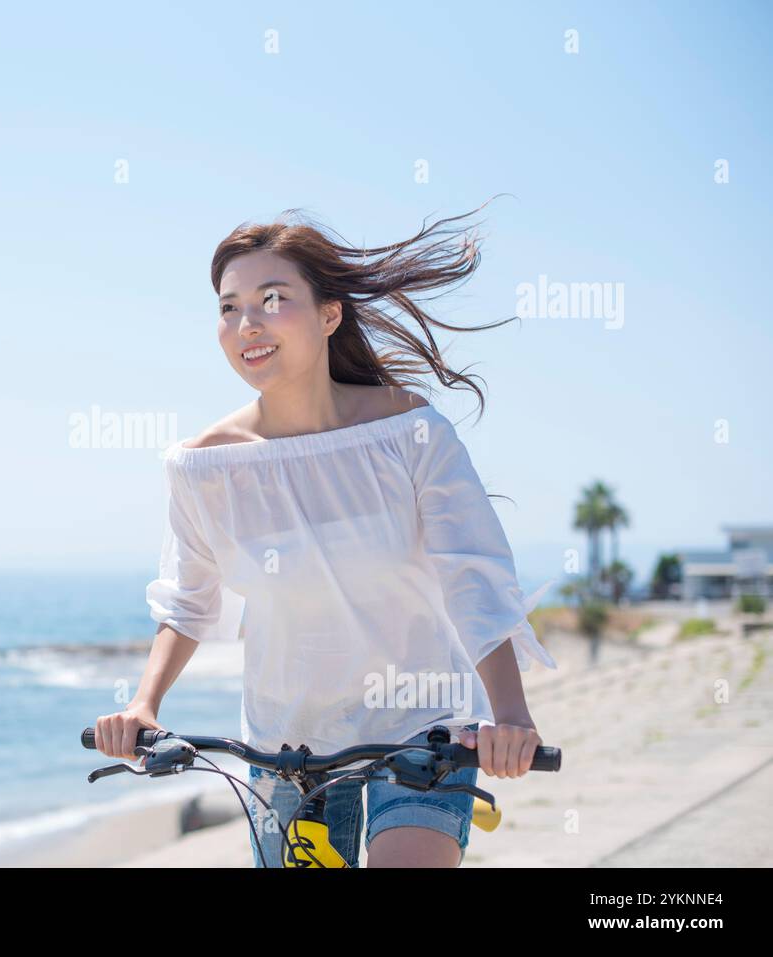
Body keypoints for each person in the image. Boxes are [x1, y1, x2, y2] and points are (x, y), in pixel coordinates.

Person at [94, 201, 558, 867]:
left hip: (424, 730)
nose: (245, 324)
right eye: (228, 307)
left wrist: (510, 715)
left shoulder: (410, 434)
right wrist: (143, 704)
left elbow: (473, 578)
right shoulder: (203, 465)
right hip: (287, 746)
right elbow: (189, 602)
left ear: (329, 313)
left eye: (271, 298)